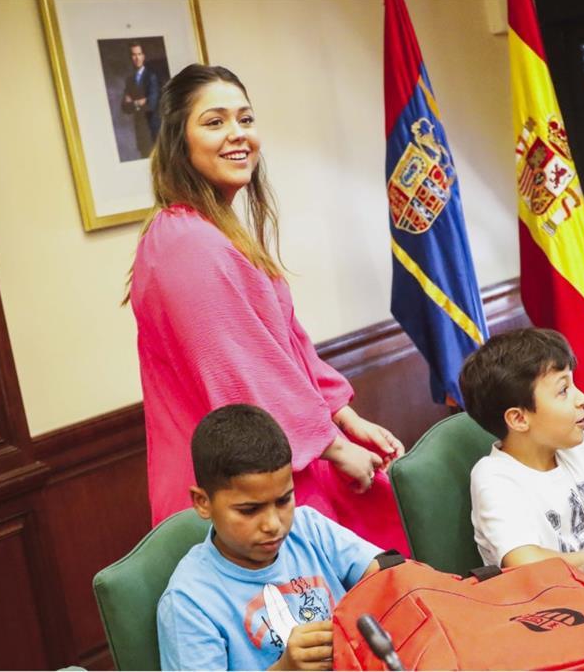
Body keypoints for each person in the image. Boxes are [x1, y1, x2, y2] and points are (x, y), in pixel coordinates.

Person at [127, 64, 409, 554]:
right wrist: (336, 448)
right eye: (214, 122)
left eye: (245, 119)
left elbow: (289, 343)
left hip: (279, 462)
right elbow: (243, 375)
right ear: (179, 142)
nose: (237, 135)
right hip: (241, 491)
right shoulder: (184, 242)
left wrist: (343, 417)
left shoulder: (217, 230)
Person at [157, 404, 383, 670]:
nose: (273, 525)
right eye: (249, 510)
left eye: (284, 500)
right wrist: (284, 668)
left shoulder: (308, 527)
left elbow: (386, 574)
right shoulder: (189, 603)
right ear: (203, 502)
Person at [460, 328, 584, 568]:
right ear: (519, 419)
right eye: (563, 390)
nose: (583, 398)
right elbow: (525, 563)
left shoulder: (572, 445)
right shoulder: (494, 477)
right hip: (555, 601)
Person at [122, 42, 161, 157]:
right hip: (140, 130)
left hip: (153, 129)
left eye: (139, 54)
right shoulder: (129, 80)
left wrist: (133, 103)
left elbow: (151, 105)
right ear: (130, 57)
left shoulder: (151, 77)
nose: (137, 58)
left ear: (143, 56)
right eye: (134, 55)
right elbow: (125, 108)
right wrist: (139, 102)